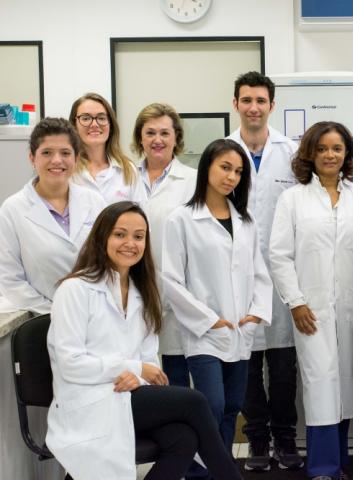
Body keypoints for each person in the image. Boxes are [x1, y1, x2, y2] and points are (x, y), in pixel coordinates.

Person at [46, 201, 243, 480]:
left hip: (127, 395)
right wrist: (133, 369)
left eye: (139, 236)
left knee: (183, 438)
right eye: (120, 234)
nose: (130, 243)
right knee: (194, 401)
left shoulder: (143, 293)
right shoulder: (75, 289)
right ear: (102, 237)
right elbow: (70, 364)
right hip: (88, 400)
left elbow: (149, 362)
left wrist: (136, 376)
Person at [162, 138, 272, 469]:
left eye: (238, 172)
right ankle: (198, 473)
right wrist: (209, 319)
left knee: (232, 406)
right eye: (225, 167)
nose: (231, 177)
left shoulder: (245, 221)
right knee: (211, 405)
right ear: (206, 167)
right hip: (204, 331)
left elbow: (259, 273)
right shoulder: (181, 219)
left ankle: (220, 471)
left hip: (240, 329)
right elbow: (171, 280)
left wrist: (256, 313)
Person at [269, 121, 353, 480]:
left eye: (337, 148)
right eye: (323, 148)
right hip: (311, 310)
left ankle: (339, 463)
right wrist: (295, 302)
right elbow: (279, 255)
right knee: (320, 383)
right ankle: (323, 468)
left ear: (347, 154)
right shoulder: (293, 199)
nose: (330, 155)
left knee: (346, 383)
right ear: (310, 153)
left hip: (352, 310)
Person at [226, 71, 303, 471]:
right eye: (246, 100)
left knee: (285, 365)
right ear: (235, 104)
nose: (253, 107)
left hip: (282, 274)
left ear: (272, 105)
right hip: (236, 275)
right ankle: (257, 440)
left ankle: (286, 439)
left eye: (260, 100)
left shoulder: (292, 153)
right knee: (248, 365)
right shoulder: (223, 152)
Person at [0, 117, 105, 313]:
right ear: (32, 158)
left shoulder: (95, 202)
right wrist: (57, 312)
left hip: (97, 313)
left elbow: (109, 264)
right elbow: (11, 281)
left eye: (65, 153)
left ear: (76, 158)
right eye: (47, 152)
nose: (57, 160)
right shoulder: (12, 209)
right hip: (45, 318)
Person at [132, 103, 197, 387]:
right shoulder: (124, 177)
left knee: (175, 379)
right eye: (150, 133)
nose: (157, 140)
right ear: (140, 137)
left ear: (176, 138)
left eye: (164, 133)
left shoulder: (193, 181)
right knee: (136, 379)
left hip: (176, 296)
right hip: (132, 291)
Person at [68, 92, 147, 204]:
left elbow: (141, 212)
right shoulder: (67, 169)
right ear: (74, 125)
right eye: (85, 118)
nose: (94, 124)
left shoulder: (128, 170)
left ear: (111, 125)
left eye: (101, 118)